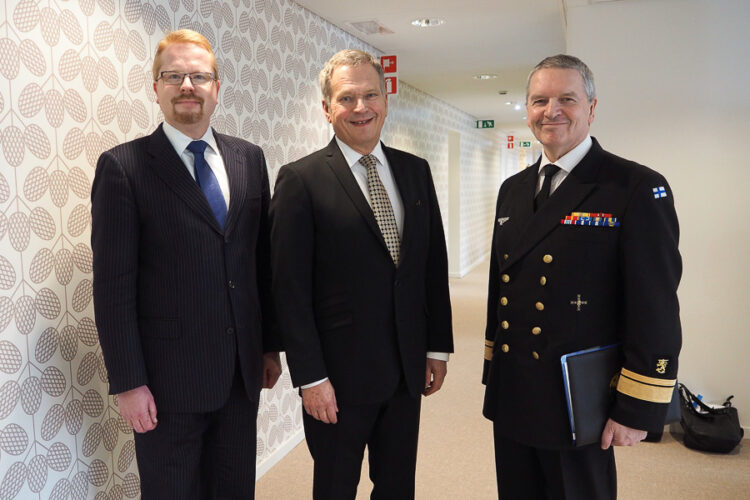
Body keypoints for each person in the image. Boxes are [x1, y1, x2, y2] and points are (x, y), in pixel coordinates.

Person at [91, 29, 281, 499]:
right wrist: (129, 382)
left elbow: (261, 263)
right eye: (173, 75)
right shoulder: (124, 167)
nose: (187, 86)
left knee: (235, 489)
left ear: (217, 87)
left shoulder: (248, 159)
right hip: (166, 381)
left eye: (198, 75)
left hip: (240, 375)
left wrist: (269, 346)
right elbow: (113, 287)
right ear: (155, 87)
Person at [481, 54, 682, 499]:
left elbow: (655, 307)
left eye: (566, 99)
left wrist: (637, 406)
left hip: (580, 398)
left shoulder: (634, 187)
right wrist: (492, 369)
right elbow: (503, 288)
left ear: (591, 108)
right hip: (515, 389)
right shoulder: (512, 190)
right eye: (539, 100)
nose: (551, 111)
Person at [270, 49, 454, 499]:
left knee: (397, 486)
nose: (360, 108)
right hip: (338, 378)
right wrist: (311, 378)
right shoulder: (301, 179)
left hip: (406, 368)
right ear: (326, 108)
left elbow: (432, 264)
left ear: (386, 100)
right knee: (336, 487)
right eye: (346, 98)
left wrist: (437, 346)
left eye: (370, 95)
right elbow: (288, 289)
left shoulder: (415, 172)